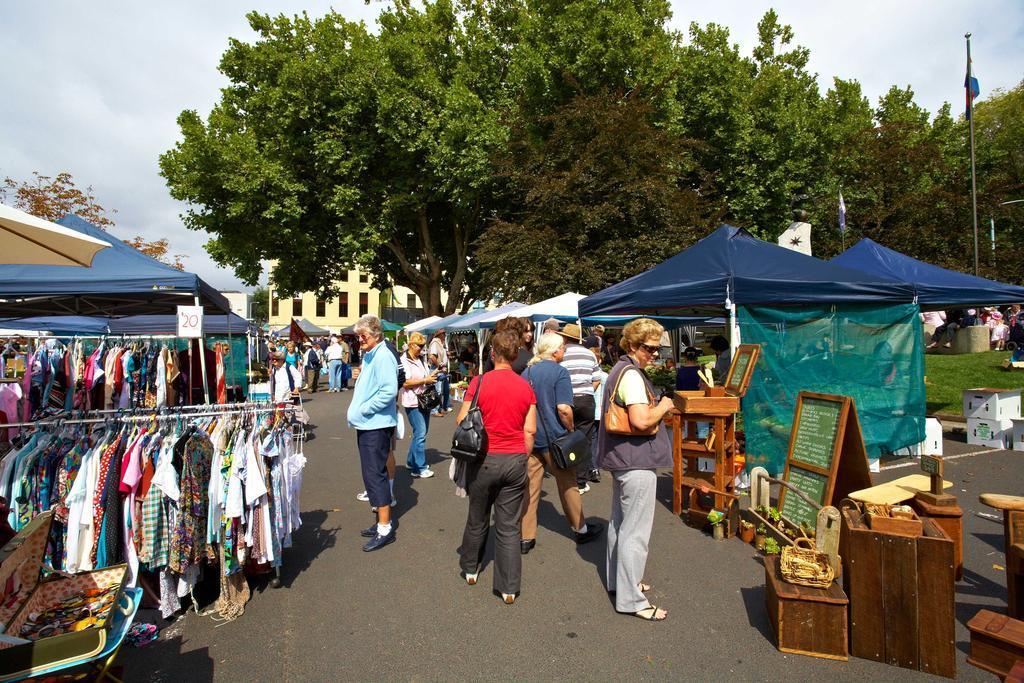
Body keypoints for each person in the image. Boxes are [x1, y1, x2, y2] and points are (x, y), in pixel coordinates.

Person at [597, 318, 675, 622]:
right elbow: (642, 421)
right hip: (637, 461)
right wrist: (664, 406)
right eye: (649, 348)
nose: (655, 353)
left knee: (620, 526)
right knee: (635, 533)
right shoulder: (631, 375)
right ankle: (632, 599)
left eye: (657, 348)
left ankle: (622, 583)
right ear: (632, 345)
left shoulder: (620, 371)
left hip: (624, 460)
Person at [456, 330, 537, 604]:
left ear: (493, 353)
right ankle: (508, 587)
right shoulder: (525, 387)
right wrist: (522, 458)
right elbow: (530, 431)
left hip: (483, 459)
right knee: (509, 526)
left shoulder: (479, 383)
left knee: (477, 516)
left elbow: (461, 420)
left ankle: (470, 568)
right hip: (514, 458)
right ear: (515, 356)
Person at [519, 333, 602, 555]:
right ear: (555, 351)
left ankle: (526, 536)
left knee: (530, 487)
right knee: (568, 485)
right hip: (555, 438)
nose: (564, 352)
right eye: (563, 349)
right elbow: (564, 408)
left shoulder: (527, 372)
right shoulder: (559, 372)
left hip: (531, 436)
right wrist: (571, 429)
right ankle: (581, 529)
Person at [347, 315, 399, 552]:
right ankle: (381, 522)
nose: (360, 340)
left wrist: (365, 408)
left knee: (375, 475)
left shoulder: (383, 355)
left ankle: (385, 528)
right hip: (369, 424)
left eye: (363, 336)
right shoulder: (373, 356)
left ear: (376, 334)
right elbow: (377, 386)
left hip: (375, 424)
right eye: (358, 336)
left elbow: (389, 390)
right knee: (371, 475)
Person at [557, 323, 602, 493]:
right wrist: (587, 391)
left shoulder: (562, 353)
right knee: (584, 440)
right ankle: (581, 481)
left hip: (566, 399)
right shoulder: (590, 354)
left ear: (565, 337)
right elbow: (597, 379)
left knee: (565, 437)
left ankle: (567, 474)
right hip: (586, 400)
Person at [400, 332, 438, 479]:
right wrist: (425, 380)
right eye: (419, 346)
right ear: (411, 344)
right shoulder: (404, 360)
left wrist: (432, 375)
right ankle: (419, 468)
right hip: (412, 401)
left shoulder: (420, 358)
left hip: (423, 399)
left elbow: (424, 377)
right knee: (420, 433)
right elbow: (405, 382)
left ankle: (411, 461)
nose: (422, 349)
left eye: (423, 346)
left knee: (420, 433)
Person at [428, 330, 451, 417]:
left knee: (445, 390)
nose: (445, 335)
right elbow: (432, 356)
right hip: (437, 369)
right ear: (440, 335)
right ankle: (434, 410)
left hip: (442, 369)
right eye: (444, 334)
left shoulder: (440, 343)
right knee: (437, 390)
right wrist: (440, 367)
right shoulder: (435, 343)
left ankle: (441, 407)